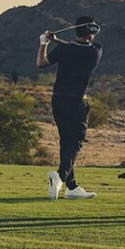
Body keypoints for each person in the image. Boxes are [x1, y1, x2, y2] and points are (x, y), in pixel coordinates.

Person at [36, 17, 102, 200]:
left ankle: (71, 187)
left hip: (57, 100)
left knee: (66, 142)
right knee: (77, 140)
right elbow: (79, 50)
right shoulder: (96, 51)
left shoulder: (64, 50)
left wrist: (45, 43)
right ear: (91, 31)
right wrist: (57, 41)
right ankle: (60, 176)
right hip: (77, 102)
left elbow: (41, 63)